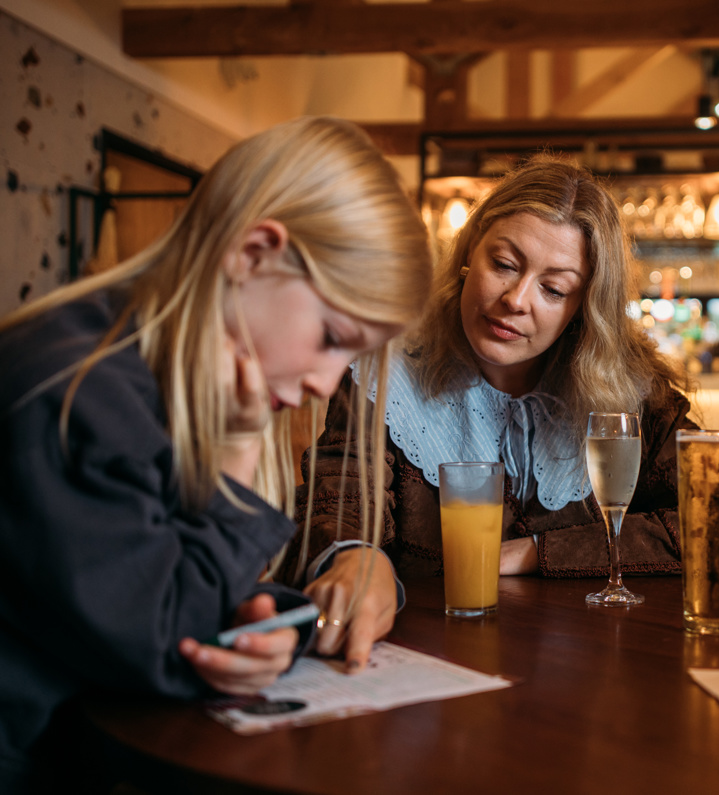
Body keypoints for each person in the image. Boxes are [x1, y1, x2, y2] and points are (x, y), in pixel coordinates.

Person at [0, 116, 429, 791]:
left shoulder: (142, 369)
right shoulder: (81, 397)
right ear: (253, 253)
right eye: (331, 336)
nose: (326, 381)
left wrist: (249, 616)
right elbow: (160, 630)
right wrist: (234, 452)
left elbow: (139, 566)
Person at [278, 156, 695, 592]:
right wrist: (355, 562)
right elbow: (340, 506)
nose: (516, 300)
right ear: (471, 251)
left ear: (581, 309)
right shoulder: (383, 375)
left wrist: (534, 551)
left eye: (553, 289)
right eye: (503, 264)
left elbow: (716, 523)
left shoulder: (633, 395)